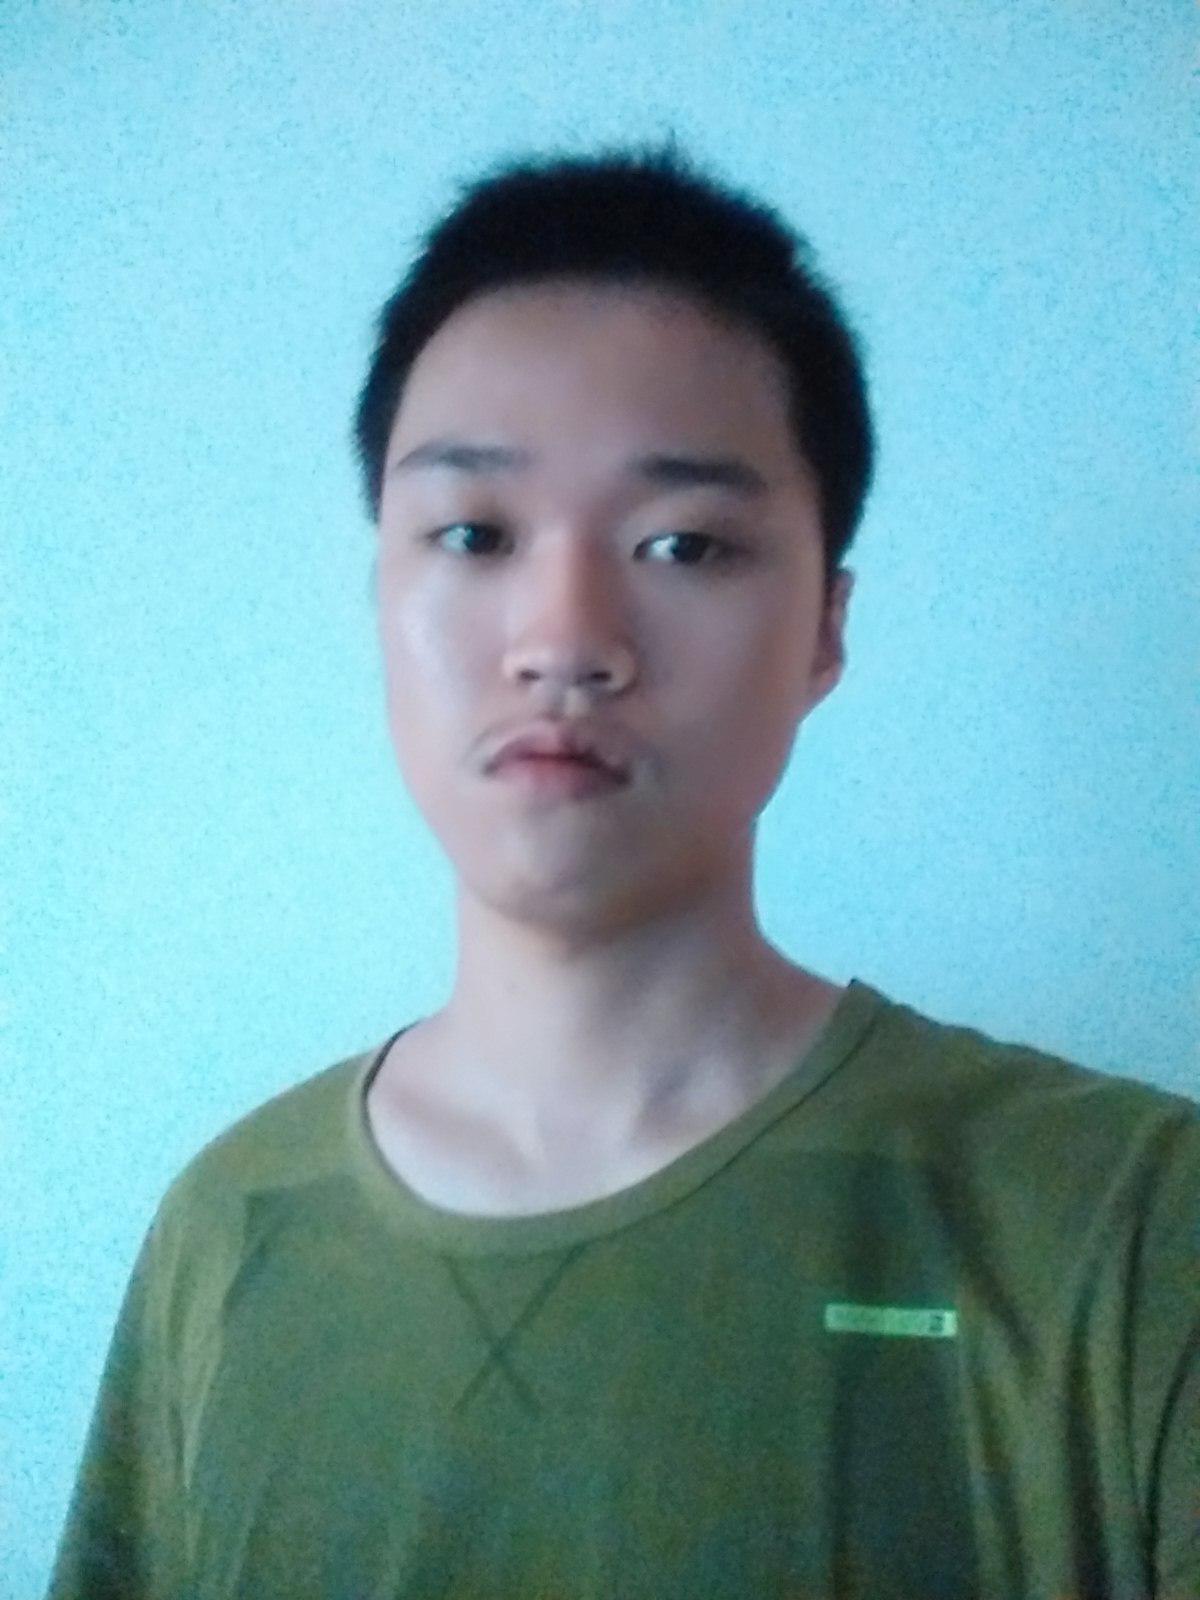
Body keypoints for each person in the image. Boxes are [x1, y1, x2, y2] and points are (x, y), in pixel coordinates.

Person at [46, 136, 1197, 1599]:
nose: (565, 637)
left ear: (825, 631)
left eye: (685, 545)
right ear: (380, 593)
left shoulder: (1131, 1223)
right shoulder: (229, 1228)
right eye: (474, 533)